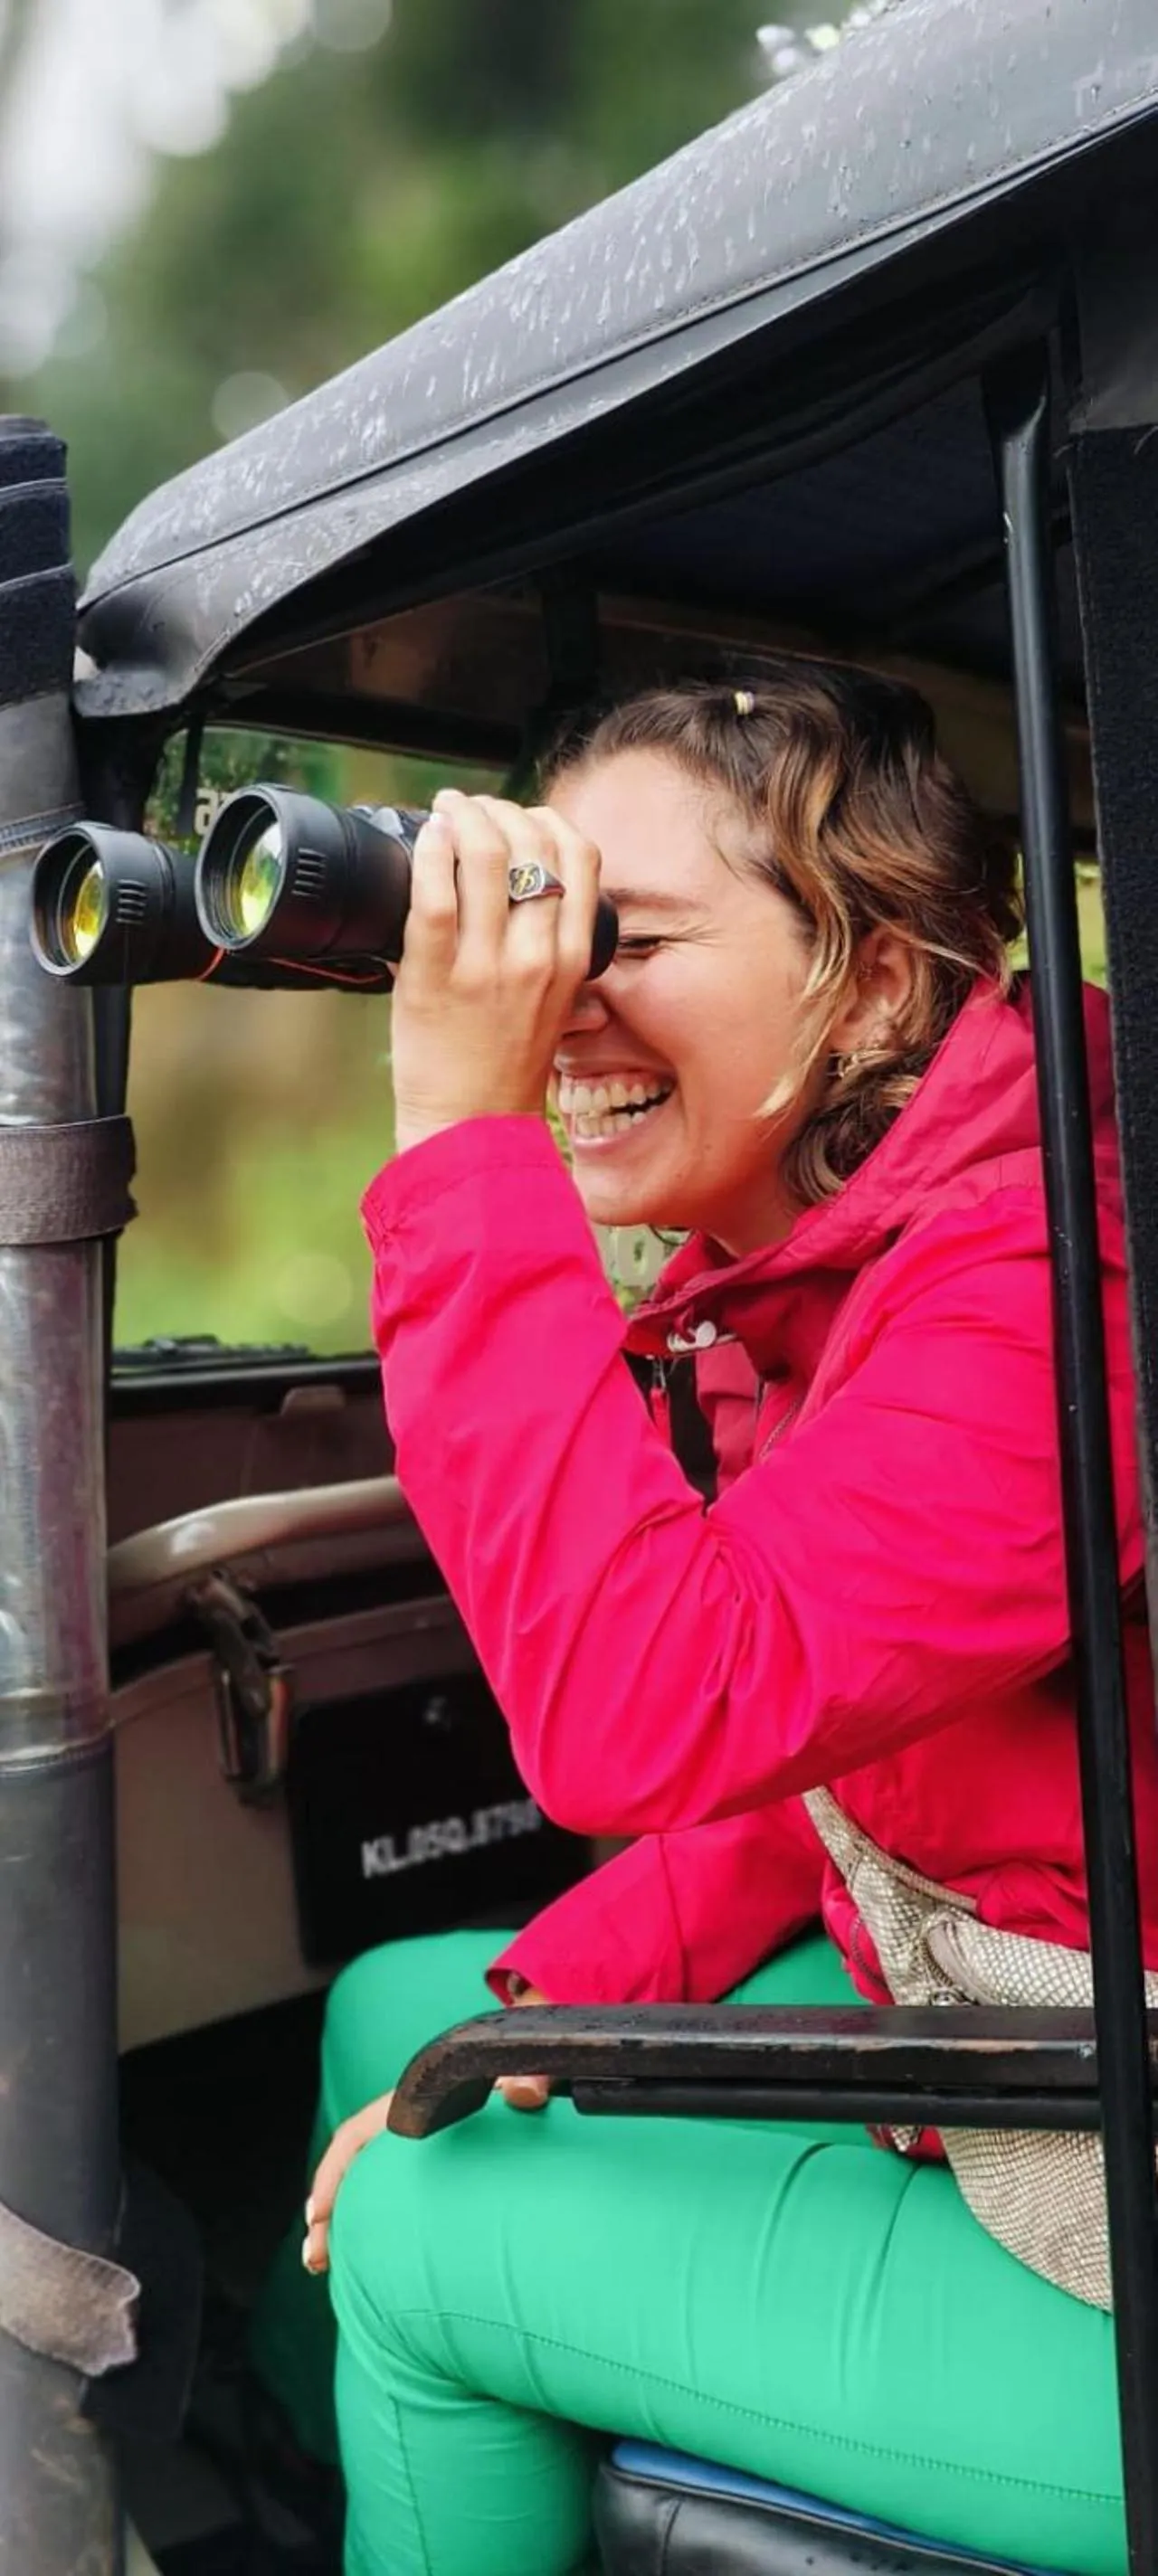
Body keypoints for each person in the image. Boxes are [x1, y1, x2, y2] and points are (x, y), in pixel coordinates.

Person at [252, 661, 1158, 2576]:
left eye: (626, 938)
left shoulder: (1033, 1285)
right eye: (543, 922)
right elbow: (834, 1757)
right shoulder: (822, 1265)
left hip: (1110, 2189)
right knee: (403, 2015)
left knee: (415, 2228)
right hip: (1005, 2026)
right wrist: (550, 2007)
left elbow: (647, 1708)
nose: (557, 1000)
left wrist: (461, 1137)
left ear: (877, 984)